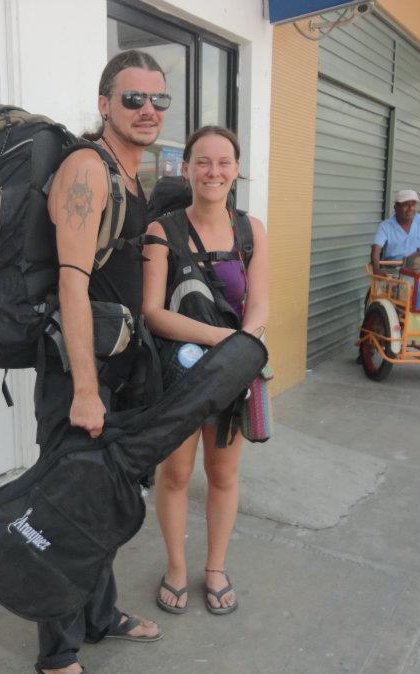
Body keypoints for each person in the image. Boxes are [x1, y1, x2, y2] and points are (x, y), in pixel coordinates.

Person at [33, 50, 168, 674]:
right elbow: (71, 282)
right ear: (104, 104)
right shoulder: (88, 167)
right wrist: (85, 388)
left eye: (157, 101)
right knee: (66, 508)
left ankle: (100, 613)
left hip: (116, 371)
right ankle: (57, 653)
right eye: (133, 98)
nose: (147, 110)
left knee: (105, 500)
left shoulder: (133, 180)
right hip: (78, 375)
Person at [141, 126, 268, 617]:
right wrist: (224, 341)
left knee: (224, 475)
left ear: (236, 169)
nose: (213, 171)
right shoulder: (162, 231)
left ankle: (215, 567)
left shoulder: (251, 230)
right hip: (180, 374)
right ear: (187, 168)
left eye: (223, 162)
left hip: (233, 374)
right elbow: (153, 311)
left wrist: (239, 349)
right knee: (173, 474)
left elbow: (261, 306)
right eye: (203, 162)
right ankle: (175, 566)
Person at [371, 189, 420, 274]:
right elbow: (376, 249)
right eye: (406, 205)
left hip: (419, 271)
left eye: (413, 205)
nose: (410, 209)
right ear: (396, 208)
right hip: (393, 271)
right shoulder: (385, 226)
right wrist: (376, 269)